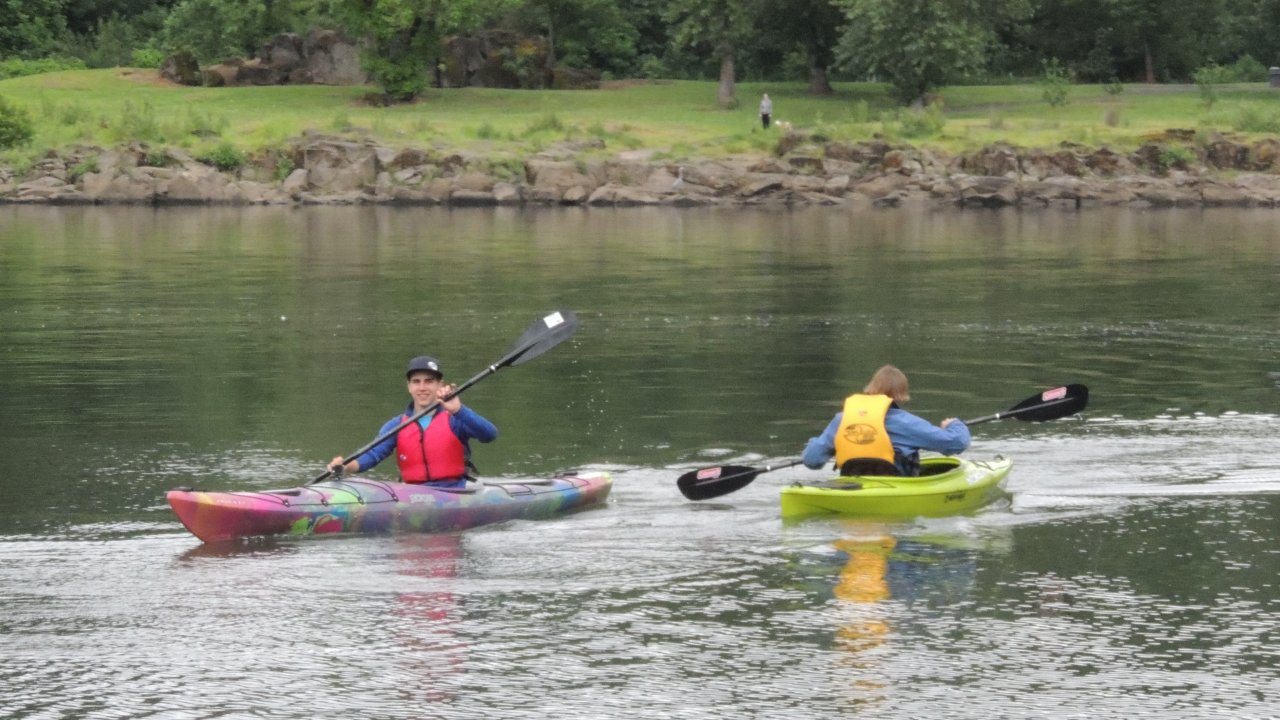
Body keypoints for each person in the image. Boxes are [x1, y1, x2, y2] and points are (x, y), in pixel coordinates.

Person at [328, 355, 497, 487]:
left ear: (440, 385)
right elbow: (373, 454)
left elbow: (489, 435)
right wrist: (345, 467)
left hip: (454, 490)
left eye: (429, 381)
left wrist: (459, 410)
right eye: (416, 382)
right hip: (412, 493)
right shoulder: (396, 425)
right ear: (409, 387)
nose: (422, 388)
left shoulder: (456, 418)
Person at [802, 364, 970, 476]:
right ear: (900, 395)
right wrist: (954, 424)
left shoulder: (842, 420)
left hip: (851, 487)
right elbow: (957, 443)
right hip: (895, 491)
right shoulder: (907, 423)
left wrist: (832, 445)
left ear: (871, 388)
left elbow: (812, 460)